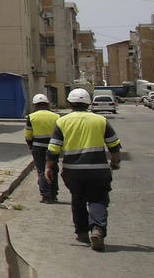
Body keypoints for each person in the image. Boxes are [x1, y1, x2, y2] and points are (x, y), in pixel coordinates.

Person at [46, 87, 122, 251]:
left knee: (78, 200)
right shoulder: (100, 120)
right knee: (98, 199)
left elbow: (54, 149)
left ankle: (81, 232)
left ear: (70, 104)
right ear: (88, 103)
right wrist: (115, 162)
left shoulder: (62, 121)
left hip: (73, 171)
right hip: (98, 170)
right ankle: (98, 229)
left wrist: (48, 168)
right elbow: (114, 145)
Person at [24, 94, 61, 203]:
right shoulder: (56, 117)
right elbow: (60, 134)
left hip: (38, 147)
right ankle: (54, 194)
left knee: (41, 171)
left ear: (35, 105)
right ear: (47, 104)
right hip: (53, 148)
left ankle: (46, 195)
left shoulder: (31, 117)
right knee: (53, 169)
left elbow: (28, 135)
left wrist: (31, 145)